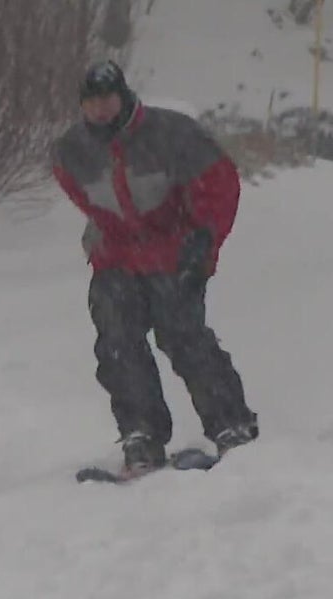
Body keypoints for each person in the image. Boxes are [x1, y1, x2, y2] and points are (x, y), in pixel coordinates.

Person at [50, 60, 258, 476]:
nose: (101, 111)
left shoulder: (171, 134)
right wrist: (109, 239)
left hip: (176, 253)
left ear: (124, 96)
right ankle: (141, 434)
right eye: (92, 103)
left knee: (182, 336)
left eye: (108, 100)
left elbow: (219, 183)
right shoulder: (72, 151)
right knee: (117, 341)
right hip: (116, 258)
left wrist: (203, 236)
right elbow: (86, 198)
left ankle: (231, 425)